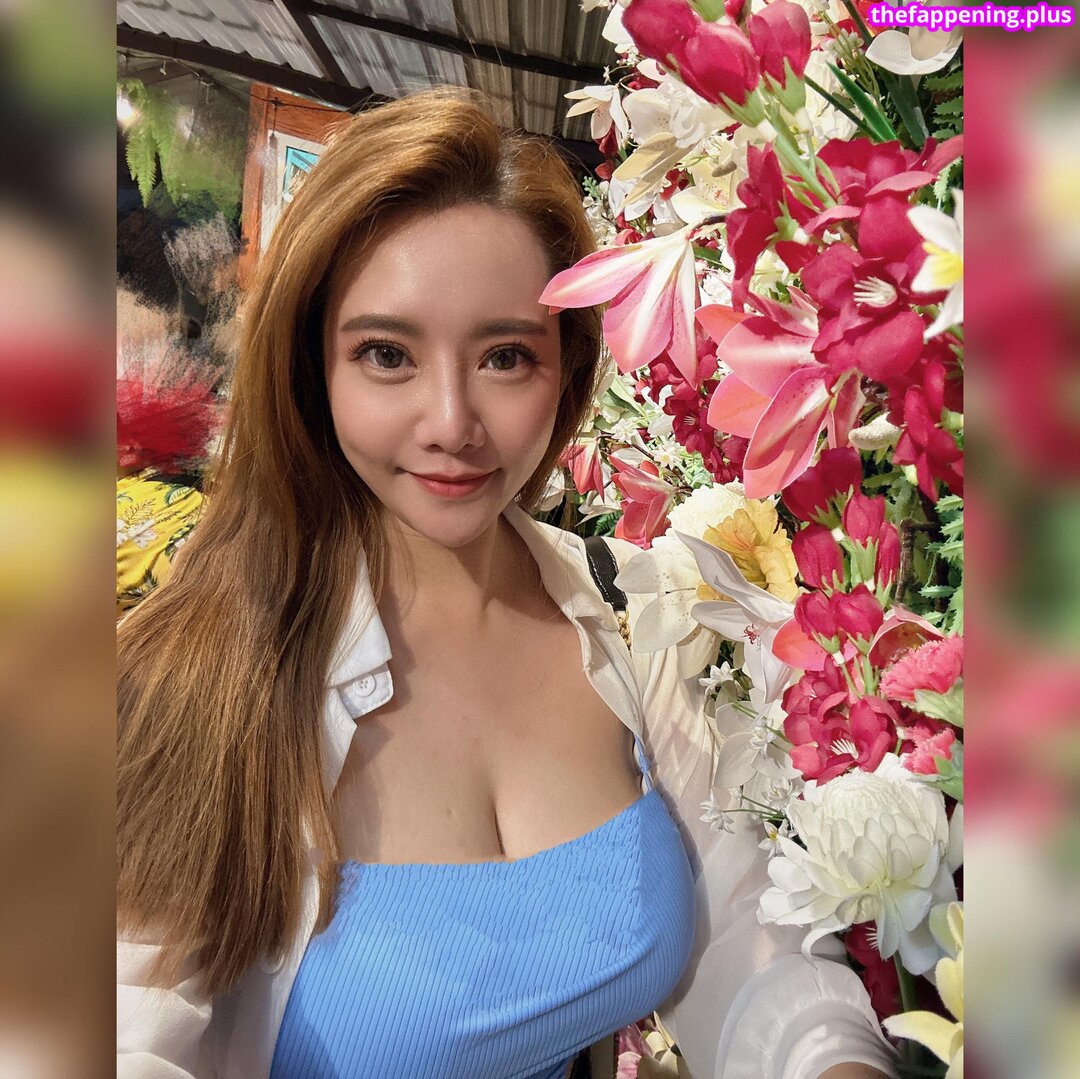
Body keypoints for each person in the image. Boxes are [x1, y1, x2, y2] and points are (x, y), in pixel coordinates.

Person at [117, 87, 898, 1079]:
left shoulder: (633, 610)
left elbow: (742, 936)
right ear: (313, 370)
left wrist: (833, 1059)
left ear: (566, 371)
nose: (452, 422)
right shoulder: (196, 680)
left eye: (504, 356)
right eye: (387, 354)